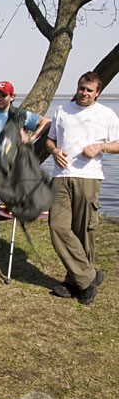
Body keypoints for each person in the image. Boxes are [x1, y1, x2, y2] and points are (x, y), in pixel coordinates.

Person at [46, 71, 119, 305]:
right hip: (61, 176)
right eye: (81, 88)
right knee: (58, 226)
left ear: (97, 92)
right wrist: (54, 152)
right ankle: (88, 278)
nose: (84, 93)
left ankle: (74, 280)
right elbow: (50, 140)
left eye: (89, 90)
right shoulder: (62, 111)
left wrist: (101, 148)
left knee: (83, 231)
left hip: (88, 177)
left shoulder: (106, 114)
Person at [0, 80, 50, 271]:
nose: (0, 98)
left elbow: (46, 122)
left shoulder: (20, 115)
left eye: (4, 95)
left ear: (12, 97)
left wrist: (31, 138)